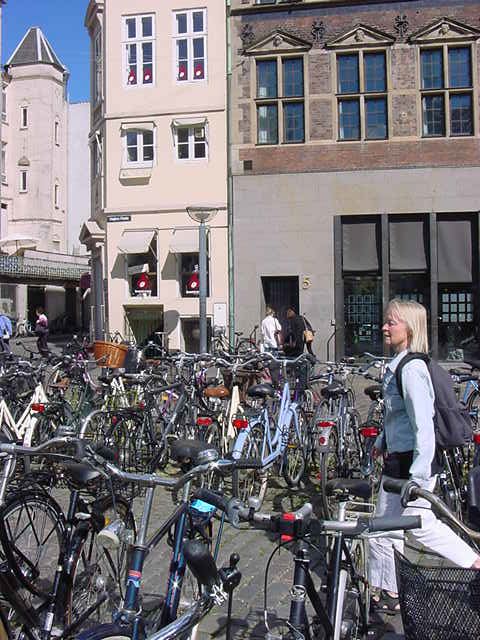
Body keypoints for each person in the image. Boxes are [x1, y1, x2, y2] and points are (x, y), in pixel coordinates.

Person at [369, 299, 480, 614]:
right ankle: (391, 590)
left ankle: (474, 563)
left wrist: (416, 478)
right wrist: (382, 439)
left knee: (417, 525)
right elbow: (399, 417)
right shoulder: (400, 366)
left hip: (411, 465)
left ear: (409, 328)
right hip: (399, 459)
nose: (384, 327)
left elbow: (424, 427)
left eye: (392, 322)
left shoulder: (412, 369)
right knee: (385, 529)